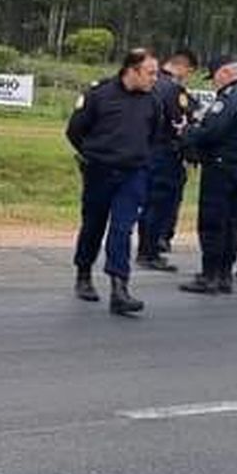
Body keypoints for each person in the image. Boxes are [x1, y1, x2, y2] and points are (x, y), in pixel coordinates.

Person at [66, 47, 160, 316]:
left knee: (122, 228)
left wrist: (141, 159)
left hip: (133, 174)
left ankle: (120, 288)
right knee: (93, 225)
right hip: (100, 171)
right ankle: (83, 274)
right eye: (150, 72)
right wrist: (93, 155)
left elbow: (154, 135)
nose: (155, 78)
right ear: (132, 70)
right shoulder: (99, 96)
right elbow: (75, 131)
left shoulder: (153, 101)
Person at [178, 53, 237, 295]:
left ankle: (209, 275)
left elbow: (212, 130)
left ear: (225, 73)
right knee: (232, 222)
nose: (214, 83)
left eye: (214, 78)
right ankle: (225, 274)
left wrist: (187, 133)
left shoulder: (230, 98)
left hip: (221, 166)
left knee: (213, 222)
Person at [135, 47, 196, 271]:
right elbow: (183, 122)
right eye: (188, 71)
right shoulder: (172, 89)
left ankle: (146, 248)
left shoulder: (150, 84)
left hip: (147, 151)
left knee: (150, 203)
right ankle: (149, 252)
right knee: (159, 204)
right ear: (182, 66)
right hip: (166, 154)